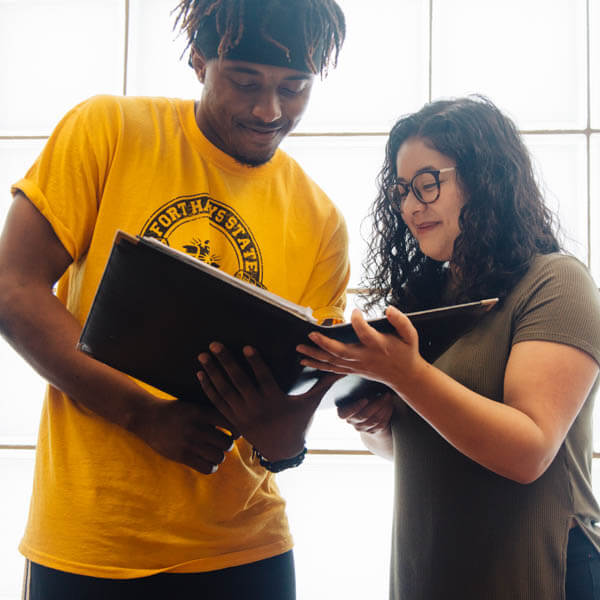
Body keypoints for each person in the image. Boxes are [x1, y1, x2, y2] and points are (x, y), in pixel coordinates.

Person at [0, 1, 348, 598]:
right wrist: (143, 414)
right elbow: (12, 289)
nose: (270, 111)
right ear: (198, 61)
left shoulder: (322, 220)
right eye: (245, 82)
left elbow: (297, 403)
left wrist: (288, 439)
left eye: (295, 88)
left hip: (246, 548)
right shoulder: (108, 129)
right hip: (93, 543)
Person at [297, 96, 600, 599]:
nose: (412, 206)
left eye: (427, 184)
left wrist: (406, 376)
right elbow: (416, 445)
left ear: (486, 179)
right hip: (435, 570)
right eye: (402, 191)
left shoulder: (556, 282)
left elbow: (529, 451)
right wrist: (375, 421)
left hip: (539, 572)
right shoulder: (432, 297)